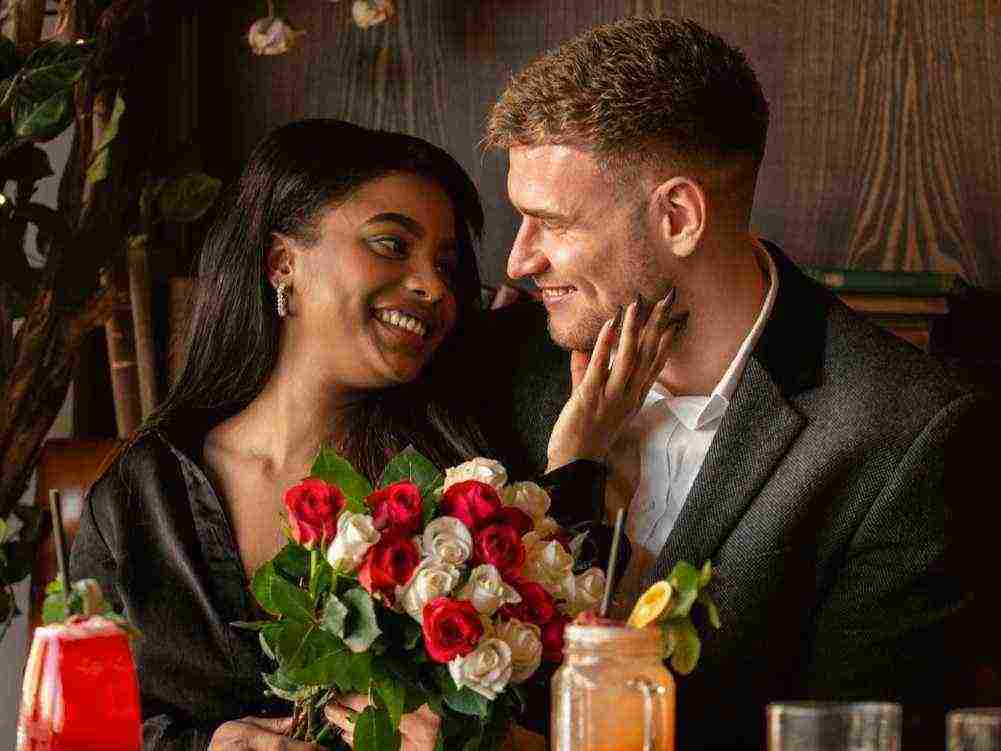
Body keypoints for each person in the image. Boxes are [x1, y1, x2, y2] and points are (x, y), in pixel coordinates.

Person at [69, 119, 675, 751]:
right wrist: (212, 745)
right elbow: (76, 730)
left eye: (445, 264)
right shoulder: (141, 498)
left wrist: (574, 467)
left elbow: (565, 701)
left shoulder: (467, 481)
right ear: (282, 263)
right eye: (391, 245)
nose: (433, 286)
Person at [475, 16, 991, 750]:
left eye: (549, 222)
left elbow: (854, 736)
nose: (520, 261)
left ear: (677, 216)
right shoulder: (498, 366)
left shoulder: (906, 435)